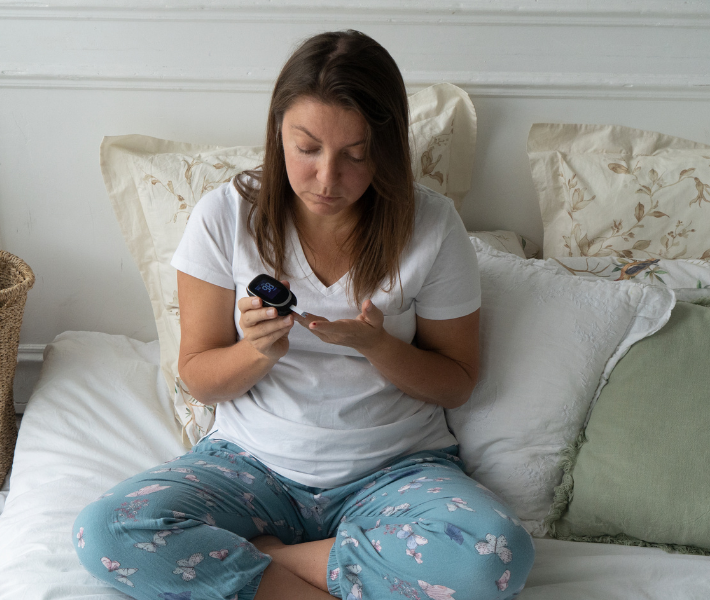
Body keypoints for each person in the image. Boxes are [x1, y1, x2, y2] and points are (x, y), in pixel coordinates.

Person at [74, 29, 534, 600]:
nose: (327, 178)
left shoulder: (432, 226)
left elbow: (457, 382)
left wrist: (379, 346)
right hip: (250, 465)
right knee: (106, 532)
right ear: (278, 134)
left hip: (397, 468)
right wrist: (255, 351)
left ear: (385, 149)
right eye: (307, 148)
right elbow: (198, 376)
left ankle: (273, 559)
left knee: (495, 558)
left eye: (355, 155)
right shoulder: (225, 216)